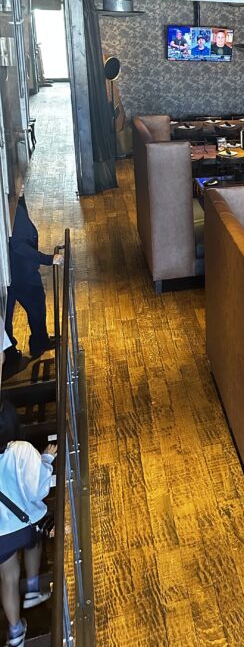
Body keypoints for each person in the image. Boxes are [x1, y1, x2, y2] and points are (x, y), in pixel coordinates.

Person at [0, 401, 56, 647]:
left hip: (1, 534)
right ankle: (33, 587)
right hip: (23, 526)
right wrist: (46, 458)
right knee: (34, 545)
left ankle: (15, 632)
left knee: (8, 578)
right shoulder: (21, 450)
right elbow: (39, 488)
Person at [3, 187, 62, 374]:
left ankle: (11, 353)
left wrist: (20, 199)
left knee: (5, 315)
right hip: (20, 271)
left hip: (10, 270)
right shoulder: (5, 206)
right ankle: (35, 344)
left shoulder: (9, 205)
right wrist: (47, 259)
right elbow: (19, 244)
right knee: (35, 305)